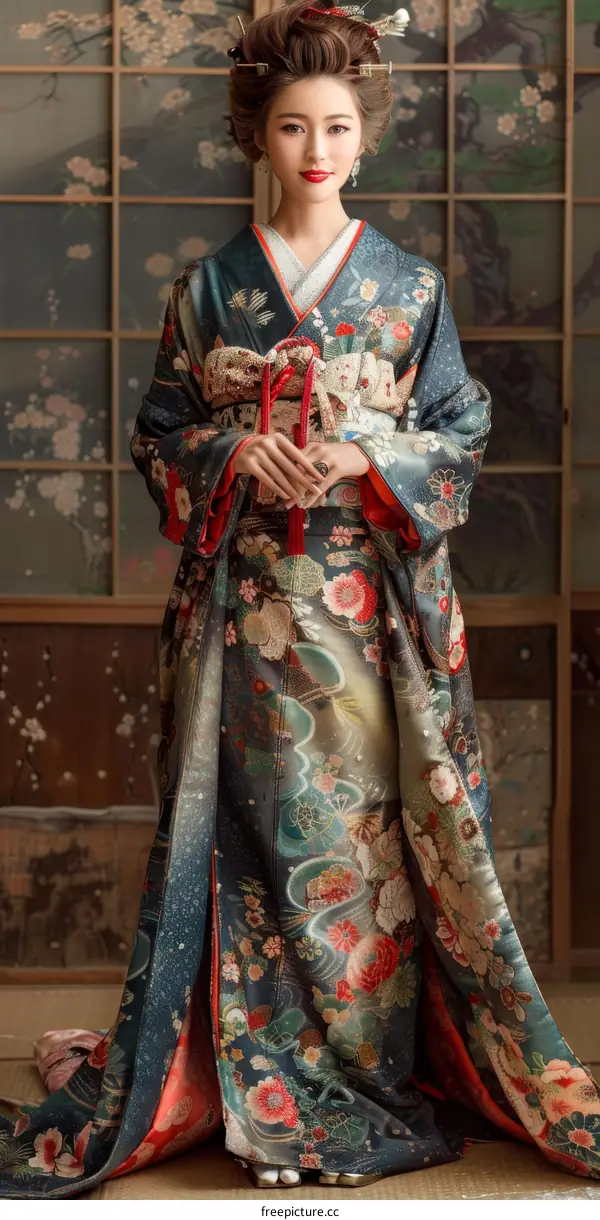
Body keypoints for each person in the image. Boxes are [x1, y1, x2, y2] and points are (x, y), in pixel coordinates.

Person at [1, 0, 599, 1198]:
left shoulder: (411, 287)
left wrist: (362, 458)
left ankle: (362, 1067)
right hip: (239, 606)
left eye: (334, 127)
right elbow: (159, 435)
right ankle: (254, 1069)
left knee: (362, 841)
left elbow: (462, 429)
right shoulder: (207, 291)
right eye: (291, 127)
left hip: (364, 610)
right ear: (258, 138)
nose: (315, 150)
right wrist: (232, 457)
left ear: (362, 139)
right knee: (246, 840)